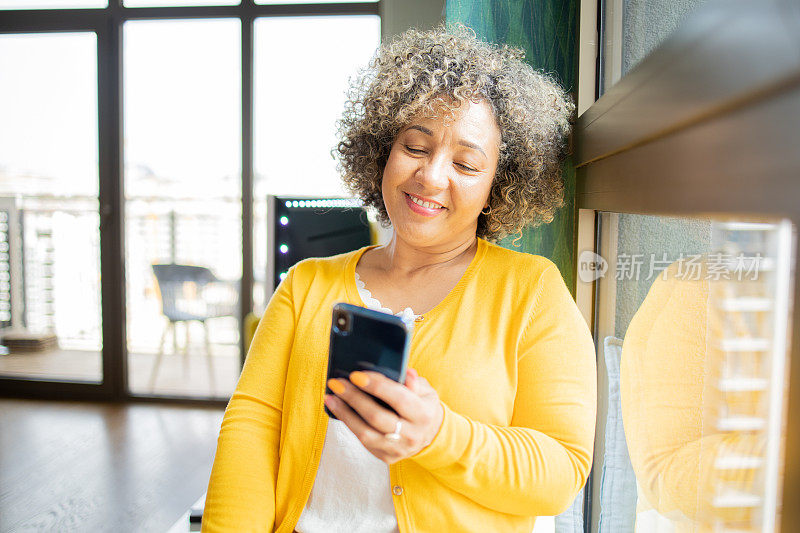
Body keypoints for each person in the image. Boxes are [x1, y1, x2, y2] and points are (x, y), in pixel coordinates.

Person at [202, 25, 596, 533]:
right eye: (415, 146)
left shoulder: (532, 291)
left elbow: (561, 471)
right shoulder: (305, 286)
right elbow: (251, 429)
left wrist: (439, 436)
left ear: (499, 184)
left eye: (466, 163)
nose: (432, 176)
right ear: (382, 151)